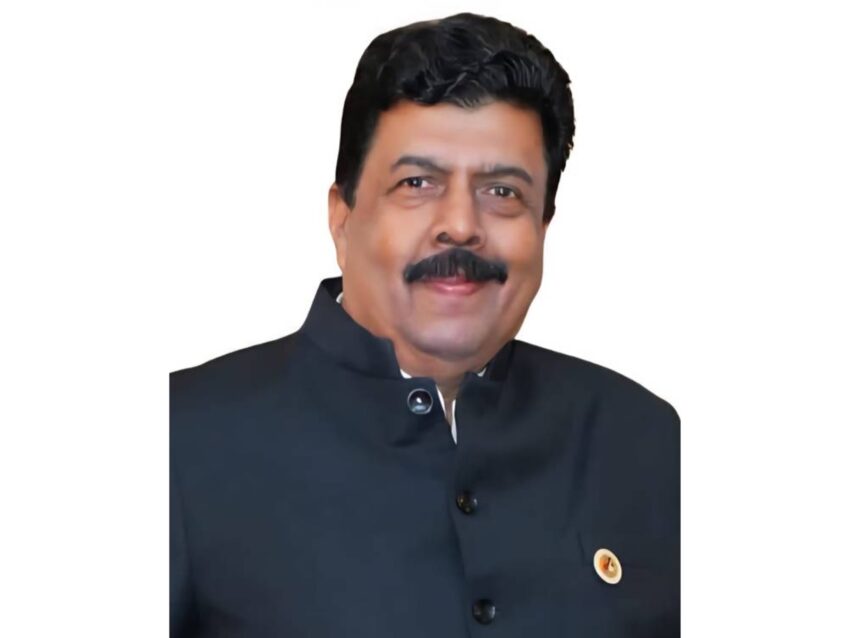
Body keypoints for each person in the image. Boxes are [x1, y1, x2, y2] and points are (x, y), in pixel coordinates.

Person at [170, 11, 680, 638]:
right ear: (342, 219)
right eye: (417, 183)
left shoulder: (649, 442)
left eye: (503, 192)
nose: (460, 225)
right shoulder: (175, 441)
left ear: (543, 228)